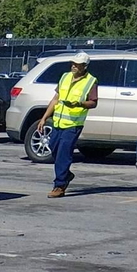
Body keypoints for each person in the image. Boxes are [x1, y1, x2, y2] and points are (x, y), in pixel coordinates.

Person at [36, 52, 99, 197]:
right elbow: (56, 98)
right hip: (58, 122)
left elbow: (93, 103)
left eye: (77, 64)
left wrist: (80, 103)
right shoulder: (65, 76)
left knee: (64, 153)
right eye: (73, 63)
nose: (74, 66)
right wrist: (44, 117)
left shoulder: (91, 81)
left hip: (73, 124)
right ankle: (66, 174)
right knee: (53, 148)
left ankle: (59, 186)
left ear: (84, 66)